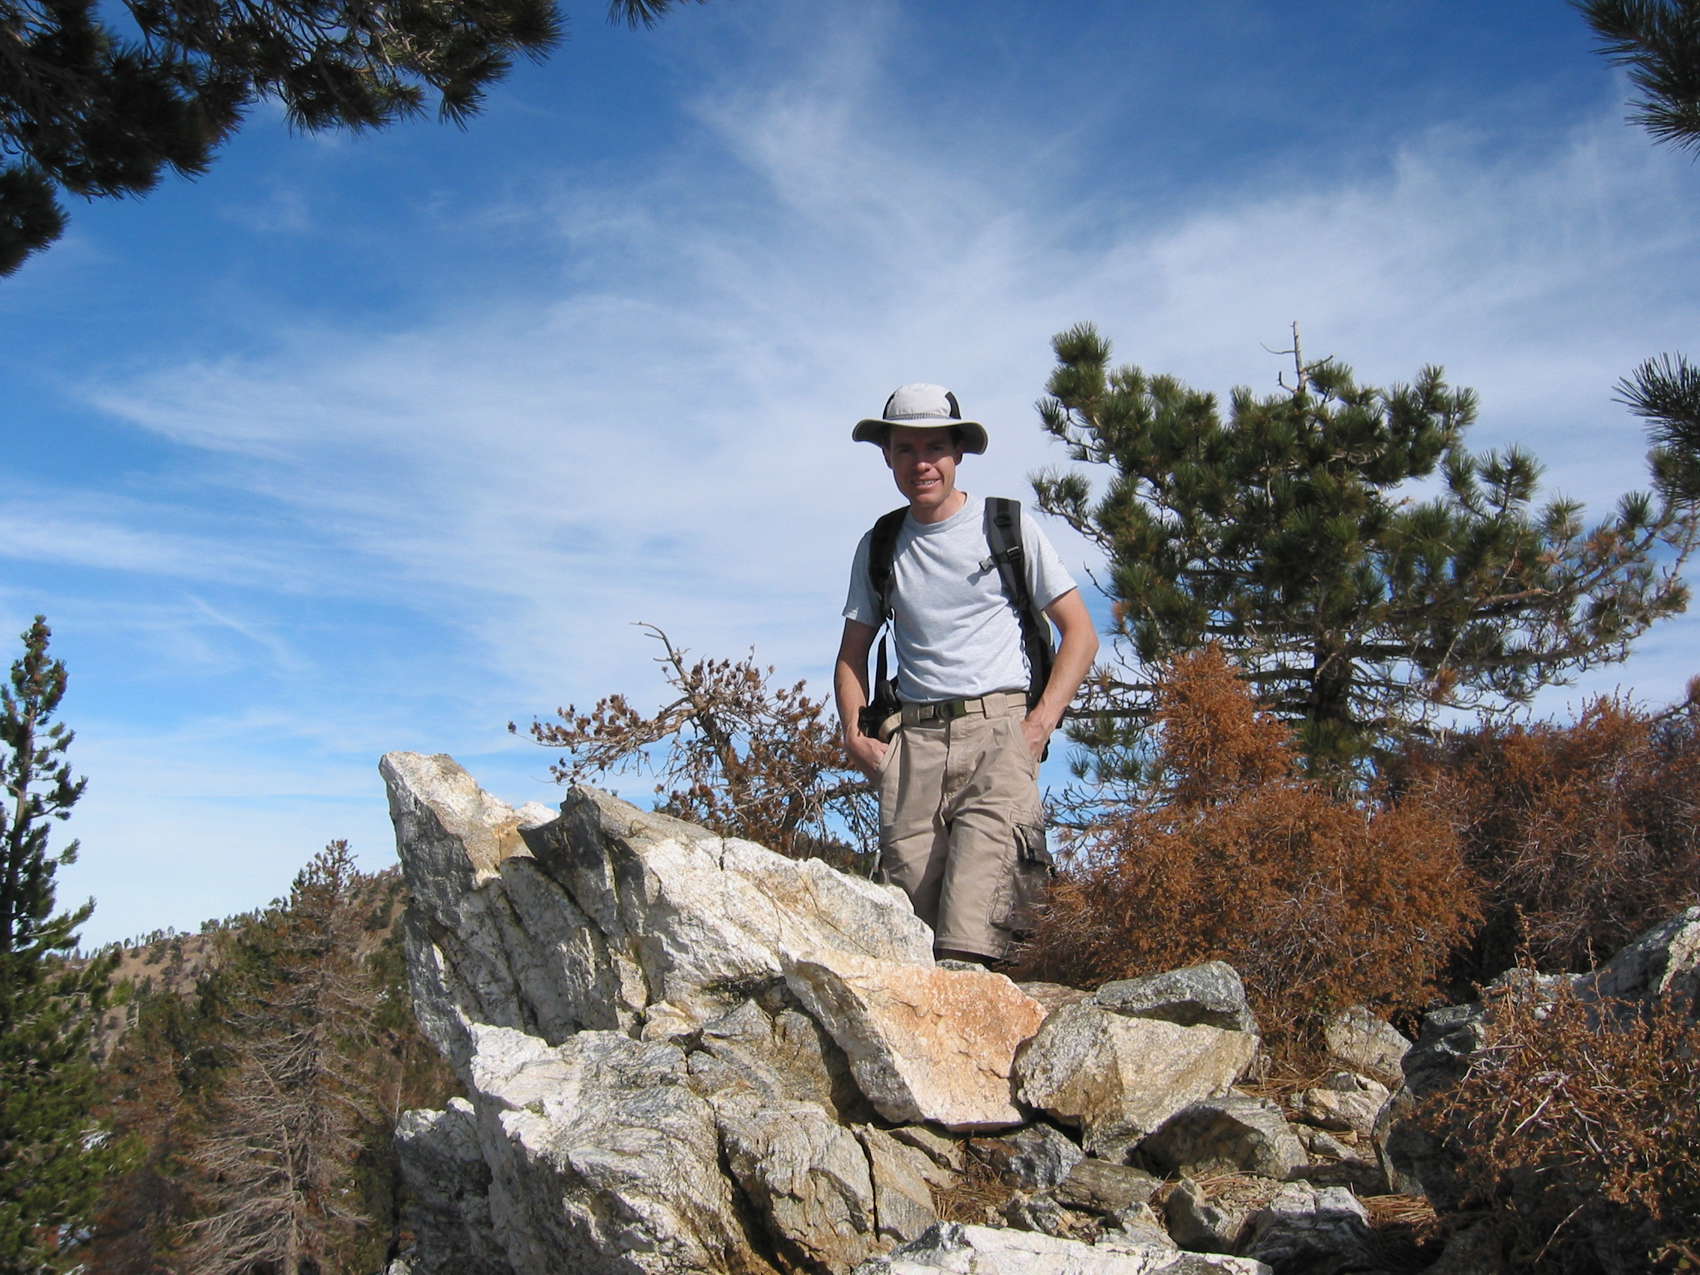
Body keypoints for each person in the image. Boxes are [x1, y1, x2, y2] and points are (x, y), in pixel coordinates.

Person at [834, 383, 1098, 965]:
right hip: (913, 749)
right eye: (905, 449)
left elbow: (1080, 633)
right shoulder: (880, 544)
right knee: (910, 943)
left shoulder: (1006, 525)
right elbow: (852, 652)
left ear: (958, 453)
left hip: (998, 738)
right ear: (887, 456)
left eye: (935, 447)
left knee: (975, 943)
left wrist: (1036, 729)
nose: (921, 463)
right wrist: (855, 737)